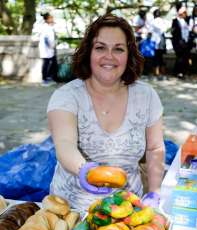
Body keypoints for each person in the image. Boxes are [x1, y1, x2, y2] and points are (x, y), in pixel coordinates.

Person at [47, 14, 165, 211]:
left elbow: (154, 149)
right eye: (100, 47)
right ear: (88, 52)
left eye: (118, 49)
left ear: (129, 55)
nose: (109, 56)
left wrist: (154, 191)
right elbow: (64, 144)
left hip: (127, 210)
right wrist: (83, 169)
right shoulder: (66, 96)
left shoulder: (147, 96)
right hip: (71, 211)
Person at [171, 6, 191, 79]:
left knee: (183, 58)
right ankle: (179, 72)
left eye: (185, 13)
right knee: (180, 57)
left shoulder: (187, 20)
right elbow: (173, 32)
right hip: (178, 42)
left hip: (185, 42)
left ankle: (178, 72)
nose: (184, 14)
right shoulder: (175, 20)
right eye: (183, 13)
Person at [39, 12, 58, 85]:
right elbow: (46, 39)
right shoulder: (45, 27)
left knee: (52, 63)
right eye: (51, 18)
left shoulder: (50, 26)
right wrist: (50, 46)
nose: (52, 19)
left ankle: (50, 78)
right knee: (46, 64)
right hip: (46, 49)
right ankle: (44, 80)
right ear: (47, 19)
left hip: (50, 49)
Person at [150, 8, 167, 79]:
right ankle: (162, 73)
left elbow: (150, 30)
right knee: (161, 57)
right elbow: (164, 29)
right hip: (162, 40)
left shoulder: (153, 21)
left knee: (155, 58)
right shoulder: (163, 21)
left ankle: (156, 73)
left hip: (155, 41)